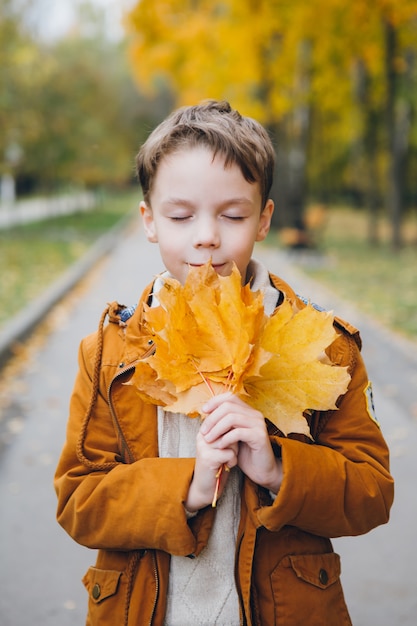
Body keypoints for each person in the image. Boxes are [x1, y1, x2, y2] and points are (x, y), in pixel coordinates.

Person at [54, 99, 394, 626]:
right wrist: (187, 487)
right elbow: (80, 500)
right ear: (148, 220)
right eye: (181, 215)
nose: (207, 235)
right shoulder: (108, 353)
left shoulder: (323, 347)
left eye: (232, 215)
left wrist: (278, 468)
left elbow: (372, 491)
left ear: (263, 219)